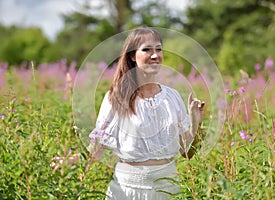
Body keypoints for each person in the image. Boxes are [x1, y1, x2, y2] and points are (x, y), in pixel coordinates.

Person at [51, 26, 205, 200]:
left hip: (168, 189)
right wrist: (71, 160)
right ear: (132, 55)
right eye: (147, 49)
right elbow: (96, 149)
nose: (155, 55)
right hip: (128, 189)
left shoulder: (172, 97)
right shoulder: (117, 97)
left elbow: (188, 152)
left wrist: (196, 123)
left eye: (158, 49)